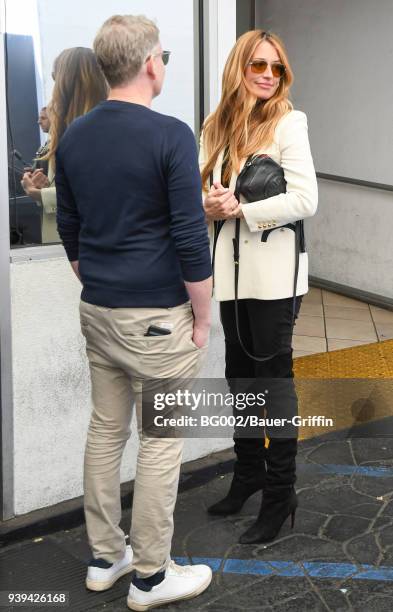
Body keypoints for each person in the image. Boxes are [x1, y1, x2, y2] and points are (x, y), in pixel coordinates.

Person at [55, 14, 213, 611]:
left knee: (105, 430)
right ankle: (150, 577)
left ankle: (105, 559)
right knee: (160, 441)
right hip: (156, 316)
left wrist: (95, 275)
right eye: (165, 56)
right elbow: (189, 239)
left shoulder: (73, 138)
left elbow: (70, 230)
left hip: (98, 310)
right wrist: (202, 319)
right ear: (151, 64)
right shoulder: (170, 135)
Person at [199, 29, 318, 543]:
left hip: (275, 275)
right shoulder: (215, 125)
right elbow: (204, 191)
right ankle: (248, 474)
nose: (268, 76)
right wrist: (209, 204)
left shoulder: (290, 122)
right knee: (238, 375)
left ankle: (279, 492)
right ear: (238, 69)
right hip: (230, 271)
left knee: (273, 382)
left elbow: (304, 200)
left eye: (276, 68)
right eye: (258, 66)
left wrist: (243, 210)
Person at [21, 47, 107, 243]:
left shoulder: (90, 132)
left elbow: (96, 194)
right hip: (72, 243)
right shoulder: (67, 128)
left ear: (66, 81)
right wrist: (44, 187)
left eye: (55, 77)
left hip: (83, 245)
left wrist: (39, 195)